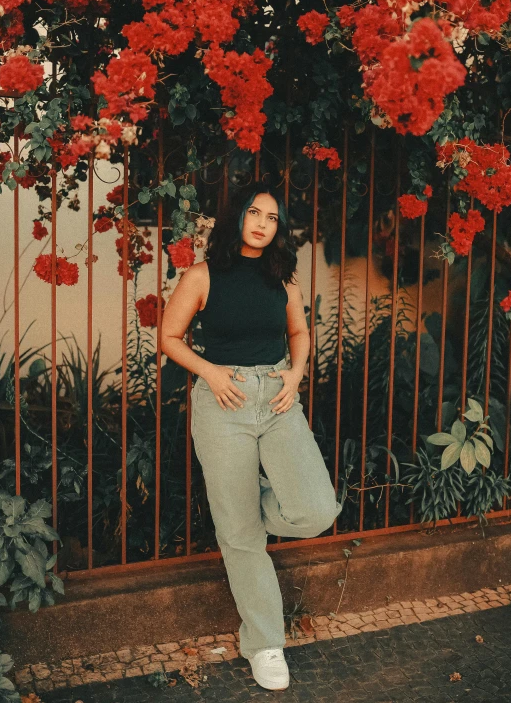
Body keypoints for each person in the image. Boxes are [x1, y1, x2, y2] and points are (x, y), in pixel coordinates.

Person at [161, 181, 342, 691]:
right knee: (241, 539)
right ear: (236, 217)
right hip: (223, 402)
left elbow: (299, 333)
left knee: (315, 509)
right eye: (254, 212)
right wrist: (213, 373)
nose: (262, 222)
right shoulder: (202, 276)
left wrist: (297, 373)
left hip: (277, 399)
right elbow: (169, 337)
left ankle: (246, 508)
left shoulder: (283, 281)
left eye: (271, 217)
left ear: (278, 228)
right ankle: (264, 643)